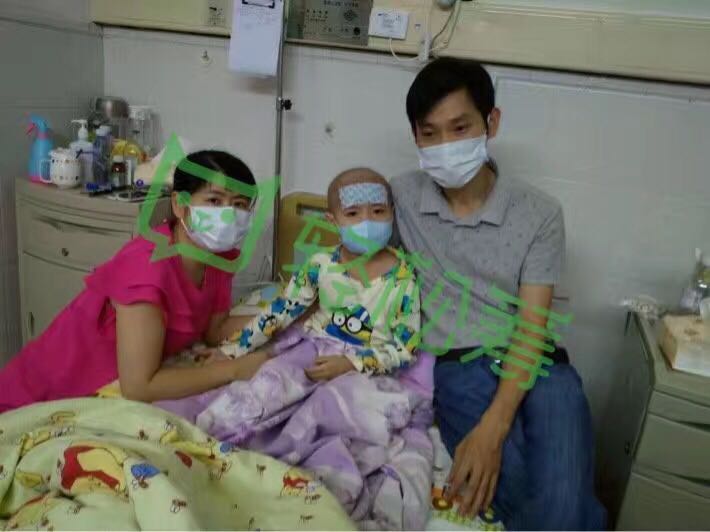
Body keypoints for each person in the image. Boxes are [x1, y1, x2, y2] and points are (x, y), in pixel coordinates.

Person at [391, 58, 606, 530]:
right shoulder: (401, 199)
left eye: (460, 128)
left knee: (564, 482)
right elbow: (349, 263)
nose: (445, 146)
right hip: (459, 366)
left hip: (540, 363)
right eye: (429, 133)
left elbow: (532, 327)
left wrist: (494, 426)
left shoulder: (539, 214)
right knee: (524, 491)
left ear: (492, 122)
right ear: (415, 137)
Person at [0, 150, 268, 413]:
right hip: (43, 397)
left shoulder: (219, 259)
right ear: (179, 204)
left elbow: (215, 329)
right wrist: (232, 371)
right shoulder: (148, 268)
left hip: (103, 392)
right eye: (214, 200)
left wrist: (285, 311)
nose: (228, 214)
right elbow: (138, 387)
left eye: (239, 204)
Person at [159, 167, 422, 423]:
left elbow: (405, 347)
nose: (366, 222)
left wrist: (352, 364)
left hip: (367, 364)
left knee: (336, 410)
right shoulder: (320, 265)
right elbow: (281, 311)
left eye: (378, 211)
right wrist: (231, 351)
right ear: (332, 221)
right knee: (266, 386)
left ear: (392, 213)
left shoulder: (403, 278)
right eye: (352, 213)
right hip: (314, 348)